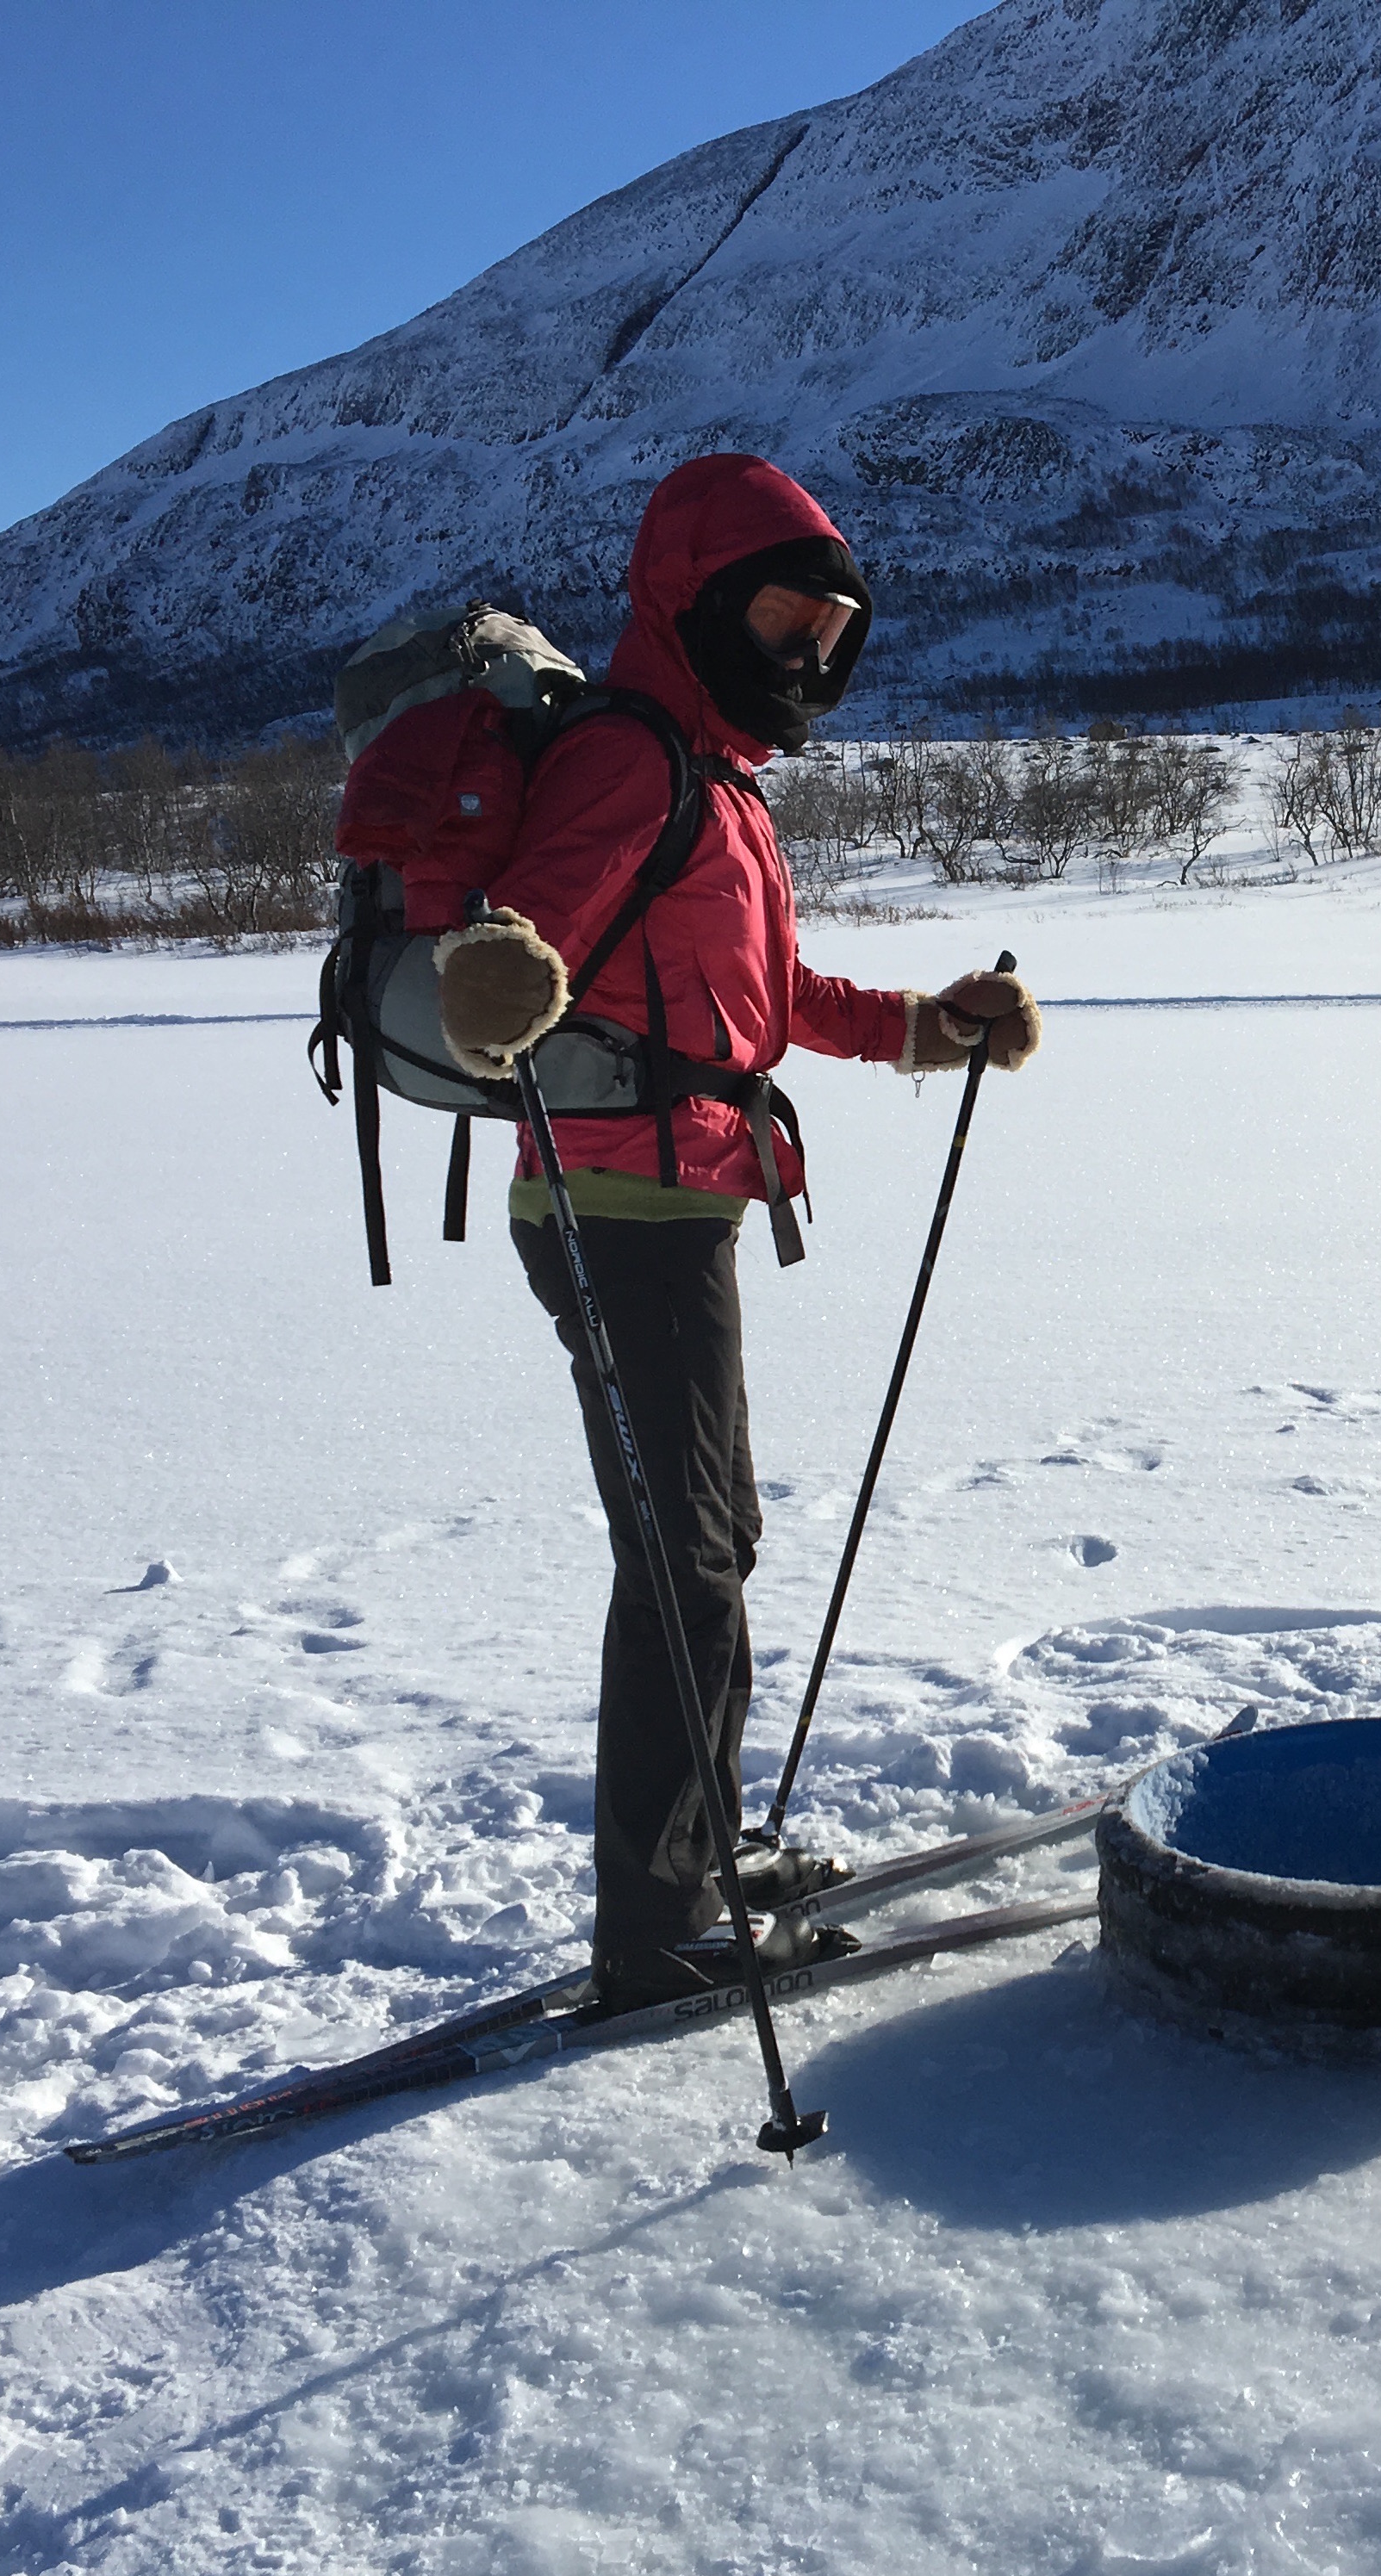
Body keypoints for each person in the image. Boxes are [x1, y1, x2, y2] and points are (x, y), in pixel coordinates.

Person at [430, 453, 1041, 2008]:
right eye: (779, 613)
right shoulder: (633, 764)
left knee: (710, 1541)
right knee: (685, 1557)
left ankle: (692, 1858)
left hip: (681, 1192)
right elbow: (533, 933)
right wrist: (500, 963)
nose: (805, 652)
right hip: (616, 1197)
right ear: (692, 604)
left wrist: (928, 1026)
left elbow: (760, 1006)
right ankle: (655, 1926)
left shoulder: (716, 782)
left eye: (831, 630)